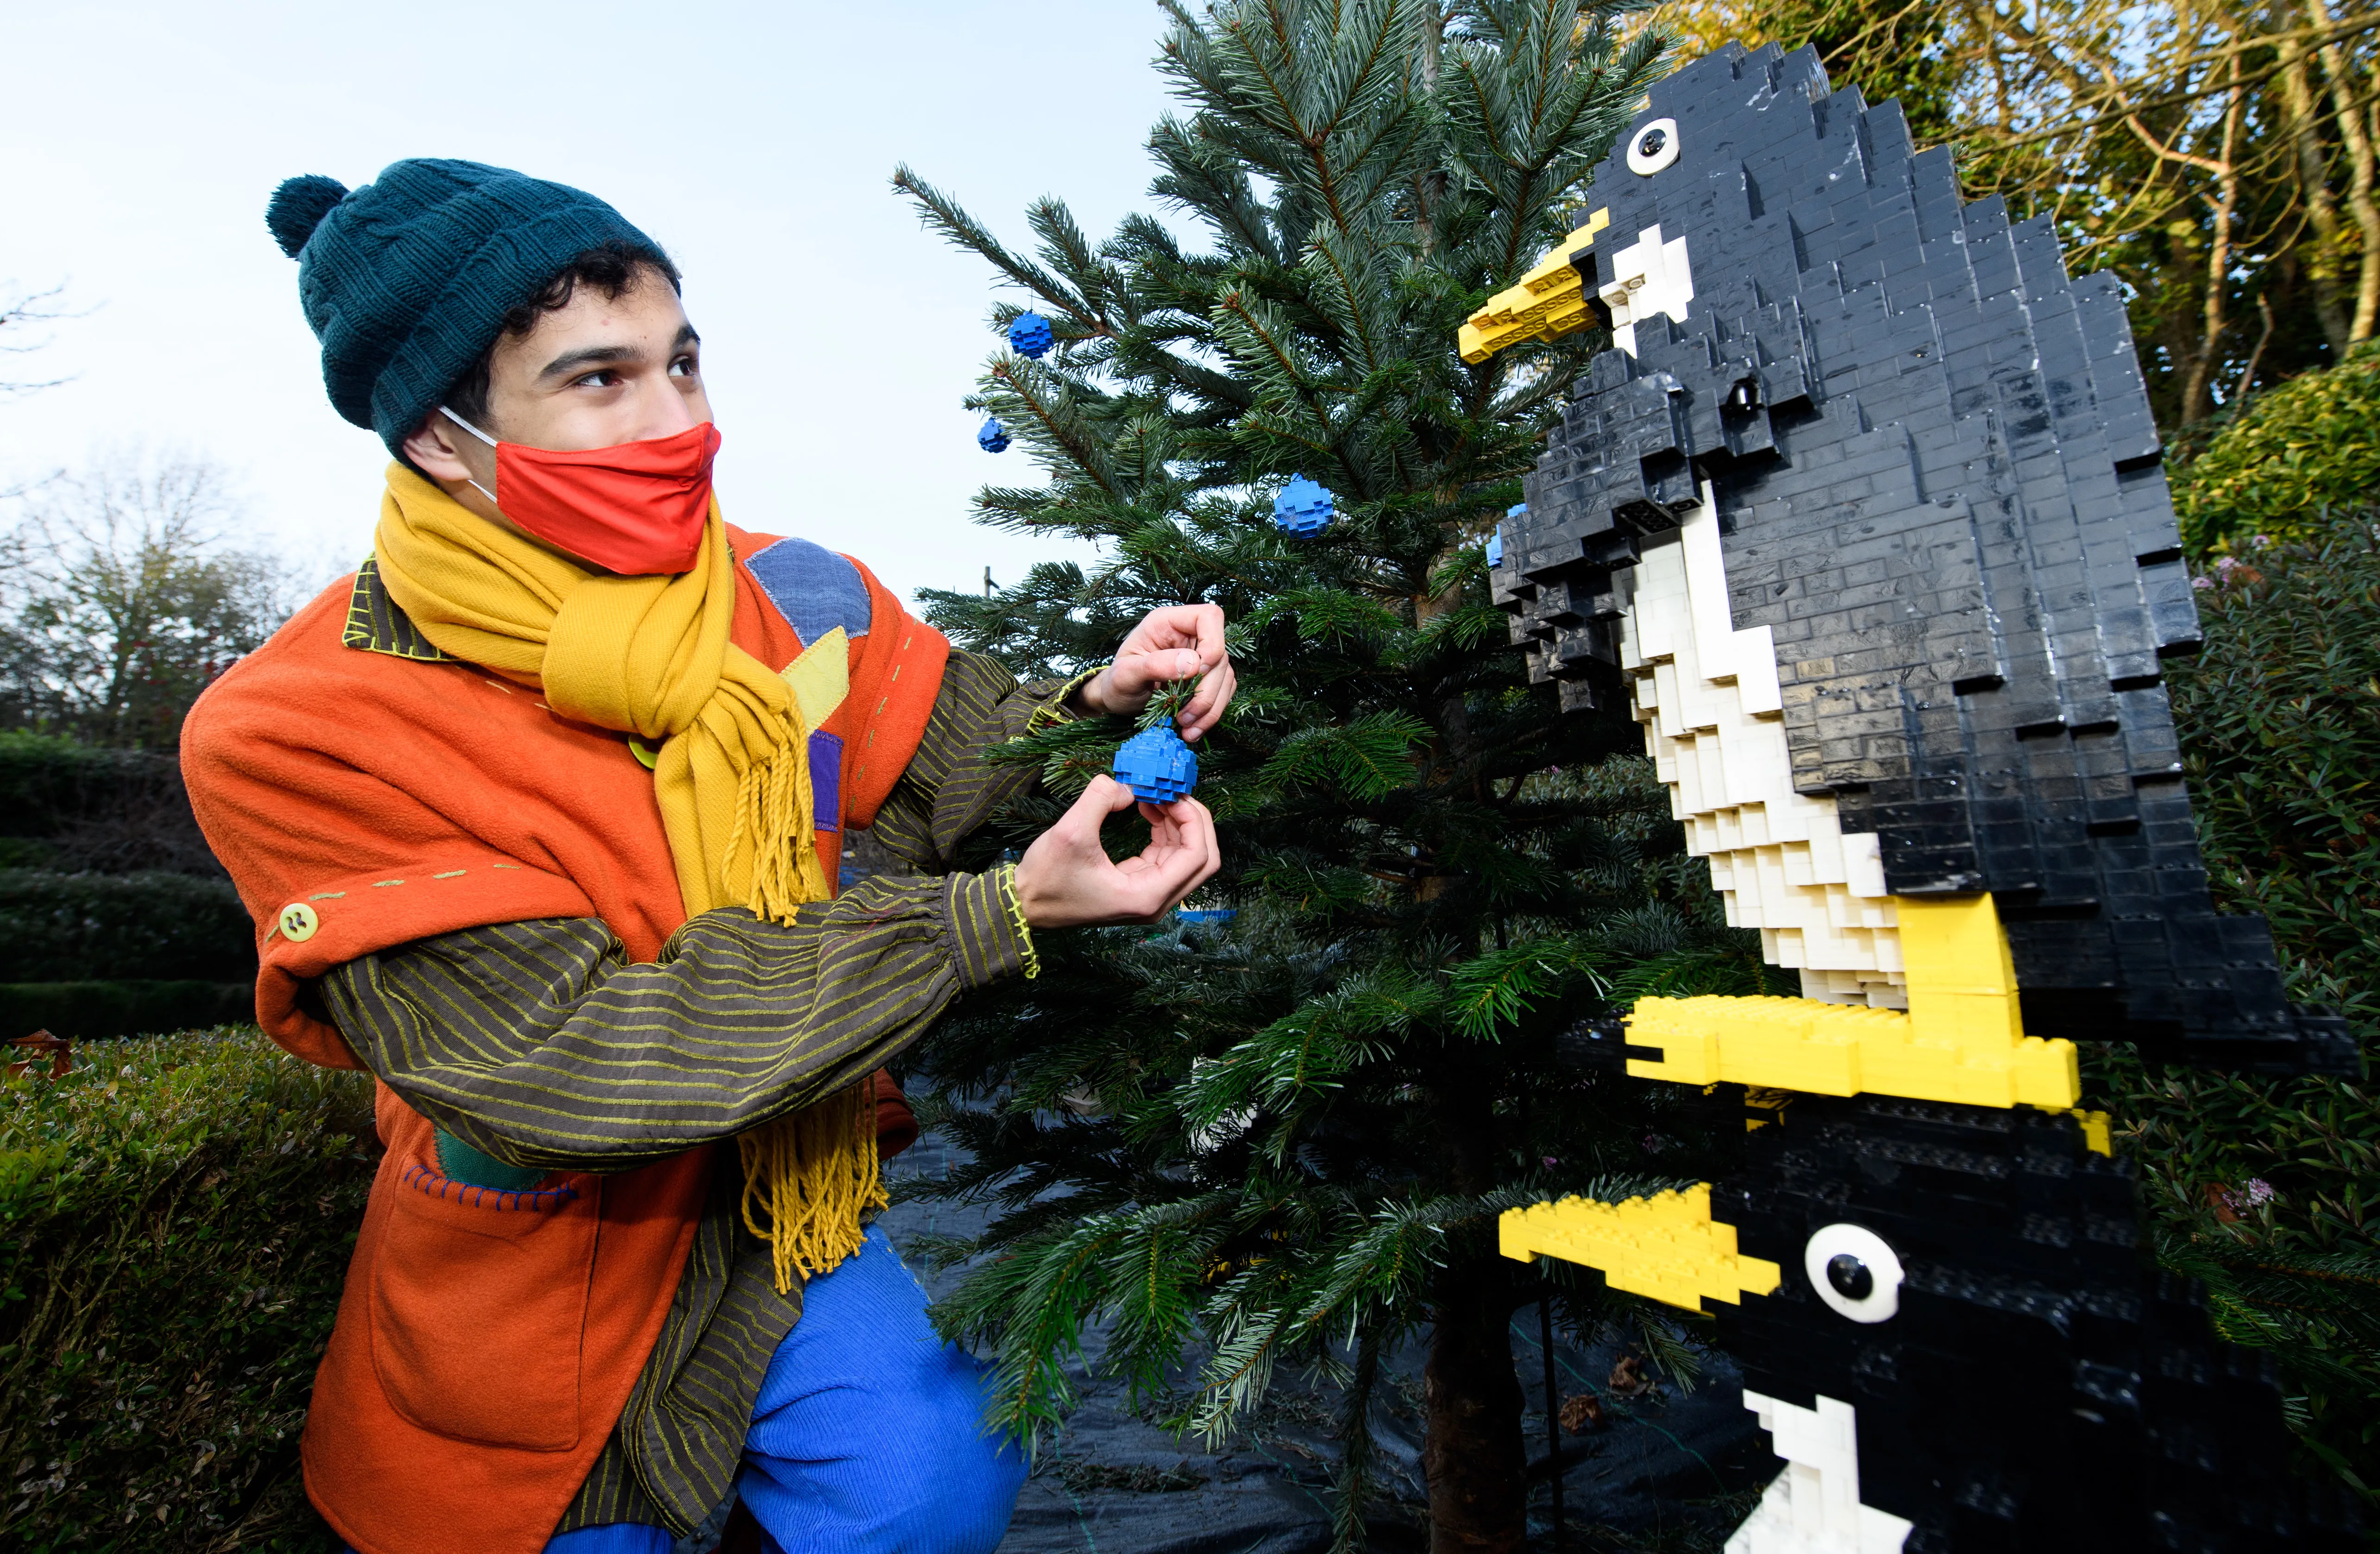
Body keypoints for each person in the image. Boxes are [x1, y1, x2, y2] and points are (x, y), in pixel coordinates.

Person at [181, 159, 1232, 1554]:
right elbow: (562, 1062)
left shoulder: (798, 593)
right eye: (600, 381)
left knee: (934, 1484)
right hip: (548, 1253)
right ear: (443, 437)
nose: (679, 423)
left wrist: (1101, 711)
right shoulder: (299, 725)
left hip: (786, 1198)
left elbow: (961, 773)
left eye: (684, 362)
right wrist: (981, 923)